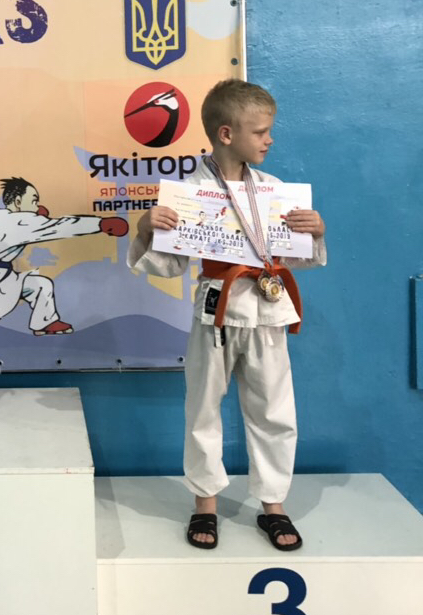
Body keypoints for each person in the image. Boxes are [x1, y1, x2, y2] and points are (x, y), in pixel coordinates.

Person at [129, 80, 326, 551]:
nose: (269, 140)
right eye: (260, 132)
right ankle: (205, 503)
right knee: (202, 408)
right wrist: (146, 228)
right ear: (225, 134)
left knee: (275, 411)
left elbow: (295, 256)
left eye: (268, 131)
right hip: (215, 310)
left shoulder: (274, 191)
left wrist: (315, 232)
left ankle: (273, 505)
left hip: (267, 310)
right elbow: (168, 265)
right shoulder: (191, 194)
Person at [0, 177, 128, 342]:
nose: (37, 205)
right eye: (33, 200)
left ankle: (45, 322)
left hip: (4, 276)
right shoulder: (15, 222)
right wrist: (100, 224)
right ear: (18, 201)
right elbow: (59, 227)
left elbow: (38, 226)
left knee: (39, 285)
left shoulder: (2, 218)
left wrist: (36, 218)